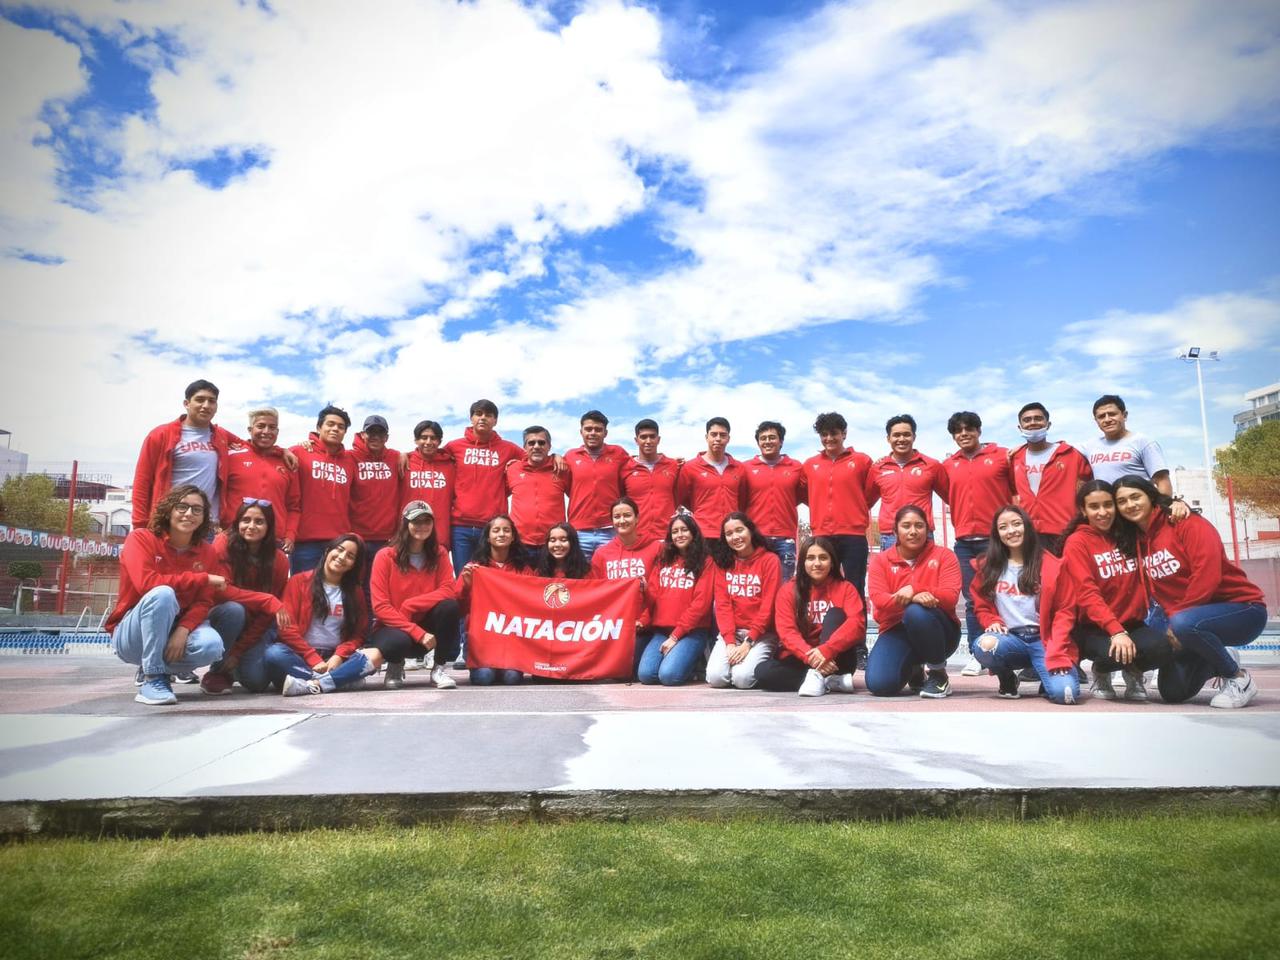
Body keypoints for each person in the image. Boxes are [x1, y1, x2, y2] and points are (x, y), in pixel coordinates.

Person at [1113, 476, 1267, 708]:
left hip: (1242, 609)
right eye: (1122, 501)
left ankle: (1237, 678)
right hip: (1187, 620)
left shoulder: (1186, 522)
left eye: (1136, 497)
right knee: (1172, 692)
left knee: (1185, 624)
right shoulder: (1136, 539)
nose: (1130, 505)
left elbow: (1207, 575)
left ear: (1151, 496)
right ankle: (1217, 659)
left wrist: (1177, 623)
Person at [105, 484, 246, 705]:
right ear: (169, 509)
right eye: (182, 507)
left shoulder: (206, 551)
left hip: (177, 628)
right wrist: (202, 578)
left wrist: (183, 629)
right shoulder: (141, 539)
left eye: (197, 510)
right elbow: (147, 584)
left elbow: (204, 600)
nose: (189, 513)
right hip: (133, 633)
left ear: (203, 518)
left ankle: (162, 666)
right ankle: (152, 676)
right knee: (163, 594)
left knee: (212, 645)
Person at [1061, 480, 1172, 701]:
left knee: (1163, 649)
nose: (1102, 512)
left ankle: (1133, 671)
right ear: (1083, 510)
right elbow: (1087, 593)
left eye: (1108, 505)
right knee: (1115, 653)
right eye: (1094, 507)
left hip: (1132, 624)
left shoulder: (1129, 534)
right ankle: (1101, 670)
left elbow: (1153, 515)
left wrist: (1175, 504)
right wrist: (1116, 631)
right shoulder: (1077, 542)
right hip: (1094, 628)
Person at [968, 505, 1078, 704]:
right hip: (1010, 639)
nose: (1011, 531)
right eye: (1003, 527)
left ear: (1027, 526)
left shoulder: (1051, 565)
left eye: (1017, 524)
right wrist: (991, 620)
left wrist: (1056, 650)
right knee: (984, 646)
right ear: (997, 533)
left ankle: (1047, 677)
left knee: (1065, 694)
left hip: (1045, 641)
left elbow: (1065, 611)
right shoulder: (988, 567)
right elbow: (981, 605)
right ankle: (1007, 677)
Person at [939, 411, 1014, 677]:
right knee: (973, 600)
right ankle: (977, 654)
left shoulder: (1002, 456)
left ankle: (1011, 652)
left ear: (979, 430)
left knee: (1008, 597)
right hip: (964, 543)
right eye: (957, 431)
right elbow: (945, 492)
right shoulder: (948, 465)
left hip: (997, 541)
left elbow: (1017, 488)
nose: (963, 434)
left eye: (968, 429)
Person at [268, 535, 391, 697]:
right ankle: (339, 681)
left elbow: (358, 634)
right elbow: (286, 627)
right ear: (327, 551)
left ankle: (313, 684)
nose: (342, 557)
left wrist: (339, 656)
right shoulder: (298, 581)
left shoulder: (355, 591)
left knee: (375, 655)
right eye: (339, 550)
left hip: (336, 658)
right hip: (302, 656)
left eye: (350, 556)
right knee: (274, 653)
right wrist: (312, 658)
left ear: (354, 564)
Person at [865, 505, 962, 698]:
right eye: (906, 526)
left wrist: (916, 589)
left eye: (919, 526)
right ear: (895, 531)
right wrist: (913, 597)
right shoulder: (881, 561)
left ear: (927, 530)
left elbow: (950, 597)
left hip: (940, 631)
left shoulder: (945, 556)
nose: (913, 531)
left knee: (916, 612)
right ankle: (914, 669)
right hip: (896, 629)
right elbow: (879, 599)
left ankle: (938, 674)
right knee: (880, 685)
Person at [369, 501, 460, 691]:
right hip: (394, 628)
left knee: (450, 607)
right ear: (405, 524)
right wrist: (416, 632)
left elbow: (449, 590)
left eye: (427, 521)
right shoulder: (385, 556)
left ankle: (438, 669)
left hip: (426, 628)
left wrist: (411, 605)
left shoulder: (440, 553)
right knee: (397, 642)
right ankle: (395, 665)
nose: (422, 526)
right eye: (416, 521)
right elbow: (380, 607)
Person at [203, 498, 290, 695]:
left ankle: (233, 666)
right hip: (223, 616)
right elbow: (221, 590)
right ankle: (217, 672)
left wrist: (238, 651)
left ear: (269, 526)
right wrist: (266, 599)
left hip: (254, 626)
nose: (251, 526)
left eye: (259, 522)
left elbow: (267, 615)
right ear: (237, 523)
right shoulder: (222, 543)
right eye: (246, 520)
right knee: (235, 610)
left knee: (256, 682)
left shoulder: (279, 560)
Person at [757, 537, 865, 696]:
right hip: (803, 657)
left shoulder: (845, 588)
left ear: (832, 562)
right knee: (762, 672)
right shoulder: (788, 591)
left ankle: (818, 678)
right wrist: (812, 658)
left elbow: (857, 624)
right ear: (802, 562)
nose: (817, 563)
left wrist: (826, 651)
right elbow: (787, 632)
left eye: (823, 557)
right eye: (810, 558)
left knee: (836, 614)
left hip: (837, 658)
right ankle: (829, 680)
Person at [131, 380, 239, 531]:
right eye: (200, 400)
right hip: (168, 523)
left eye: (211, 401)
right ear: (187, 403)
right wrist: (140, 526)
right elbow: (142, 481)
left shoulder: (221, 435)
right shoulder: (161, 435)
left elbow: (254, 444)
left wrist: (282, 452)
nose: (206, 405)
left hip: (205, 526)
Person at [444, 399, 526, 575]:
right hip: (460, 526)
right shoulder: (454, 446)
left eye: (488, 415)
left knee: (491, 580)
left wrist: (556, 457)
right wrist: (405, 456)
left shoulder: (508, 448)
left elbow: (534, 458)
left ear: (495, 421)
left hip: (492, 527)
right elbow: (430, 457)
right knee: (464, 577)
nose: (483, 418)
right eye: (478, 414)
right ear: (471, 418)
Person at [705, 512, 781, 689]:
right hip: (732, 633)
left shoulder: (770, 560)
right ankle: (737, 660)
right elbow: (723, 606)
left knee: (743, 679)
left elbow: (768, 607)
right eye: (729, 534)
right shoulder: (723, 563)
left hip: (762, 634)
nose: (735, 537)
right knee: (716, 678)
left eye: (739, 530)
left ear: (751, 531)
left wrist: (748, 643)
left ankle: (768, 655)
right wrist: (730, 643)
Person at [638, 511, 714, 686]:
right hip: (662, 631)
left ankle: (696, 664)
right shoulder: (663, 560)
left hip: (691, 631)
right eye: (675, 531)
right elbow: (653, 599)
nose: (679, 535)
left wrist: (675, 636)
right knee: (646, 676)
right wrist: (643, 590)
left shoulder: (706, 561)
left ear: (693, 533)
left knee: (669, 676)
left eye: (684, 530)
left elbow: (700, 604)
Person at [802, 411, 874, 597]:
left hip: (853, 536)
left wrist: (855, 508)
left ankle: (857, 627)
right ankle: (827, 626)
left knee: (854, 588)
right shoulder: (810, 465)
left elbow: (871, 492)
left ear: (844, 434)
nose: (829, 438)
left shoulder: (862, 461)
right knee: (823, 588)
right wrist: (820, 507)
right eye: (824, 434)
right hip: (822, 536)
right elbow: (804, 493)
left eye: (833, 433)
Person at [456, 515, 532, 686]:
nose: (501, 534)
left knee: (511, 678)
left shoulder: (524, 570)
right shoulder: (474, 568)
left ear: (513, 537)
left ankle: (502, 667)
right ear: (488, 537)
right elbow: (458, 609)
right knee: (484, 677)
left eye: (506, 530)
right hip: (482, 640)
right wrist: (467, 587)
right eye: (496, 530)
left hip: (512, 640)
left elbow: (532, 606)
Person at [1009, 402, 1091, 556]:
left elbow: (1087, 489)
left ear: (1048, 424)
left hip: (1065, 531)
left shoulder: (1071, 454)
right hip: (1029, 533)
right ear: (1020, 427)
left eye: (1038, 418)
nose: (1033, 422)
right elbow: (1012, 491)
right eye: (1027, 420)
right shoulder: (1014, 458)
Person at [221, 407, 301, 553]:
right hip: (233, 536)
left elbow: (294, 506)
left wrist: (290, 535)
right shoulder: (231, 456)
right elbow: (218, 493)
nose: (266, 431)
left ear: (277, 432)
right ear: (250, 429)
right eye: (260, 426)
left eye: (272, 427)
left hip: (274, 541)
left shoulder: (288, 463)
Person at [290, 405, 358, 574]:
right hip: (305, 542)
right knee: (304, 592)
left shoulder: (351, 460)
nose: (335, 429)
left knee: (334, 594)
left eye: (341, 427)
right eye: (330, 424)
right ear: (319, 427)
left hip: (338, 543)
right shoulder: (299, 451)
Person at [865, 414, 945, 550]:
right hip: (890, 536)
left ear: (914, 437)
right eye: (896, 435)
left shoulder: (931, 465)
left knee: (926, 572)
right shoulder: (877, 468)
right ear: (888, 438)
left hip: (922, 534)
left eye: (906, 434)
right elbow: (866, 501)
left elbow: (951, 497)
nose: (901, 439)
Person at [743, 420, 806, 581]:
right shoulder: (746, 468)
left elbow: (801, 495)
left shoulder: (796, 467)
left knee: (784, 586)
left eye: (772, 437)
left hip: (785, 538)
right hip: (756, 538)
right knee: (755, 586)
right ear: (758, 443)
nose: (767, 441)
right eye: (763, 438)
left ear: (781, 441)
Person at [565, 410, 629, 561]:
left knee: (610, 578)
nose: (593, 433)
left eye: (598, 429)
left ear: (605, 433)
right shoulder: (570, 456)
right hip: (579, 531)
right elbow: (568, 488)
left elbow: (636, 469)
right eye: (588, 429)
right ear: (581, 432)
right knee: (580, 578)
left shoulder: (619, 453)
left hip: (610, 530)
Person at [349, 415, 402, 585]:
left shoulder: (395, 457)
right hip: (357, 537)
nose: (376, 437)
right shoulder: (349, 457)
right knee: (354, 584)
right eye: (371, 432)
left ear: (386, 437)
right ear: (363, 434)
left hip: (387, 539)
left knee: (380, 585)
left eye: (380, 433)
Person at [1085, 395, 1174, 494]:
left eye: (1112, 414)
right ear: (1096, 420)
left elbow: (1162, 482)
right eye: (1101, 416)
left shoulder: (1143, 442)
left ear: (1125, 415)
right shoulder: (1089, 447)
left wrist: (1163, 507)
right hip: (1109, 508)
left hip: (1138, 507)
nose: (1107, 419)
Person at [506, 425, 569, 562]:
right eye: (531, 443)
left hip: (552, 544)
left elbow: (577, 496)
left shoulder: (562, 469)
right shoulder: (512, 469)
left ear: (549, 446)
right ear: (524, 447)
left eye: (541, 442)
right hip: (520, 543)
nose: (536, 446)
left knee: (551, 584)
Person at [677, 417, 747, 539]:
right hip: (703, 533)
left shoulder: (739, 468)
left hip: (731, 533)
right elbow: (681, 497)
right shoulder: (690, 467)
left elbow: (742, 499)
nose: (718, 439)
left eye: (722, 435)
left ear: (728, 439)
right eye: (714, 435)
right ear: (706, 437)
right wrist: (700, 509)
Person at [622, 419, 681, 543]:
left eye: (652, 437)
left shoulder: (673, 466)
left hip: (667, 536)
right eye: (643, 437)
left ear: (658, 439)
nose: (648, 441)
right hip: (637, 536)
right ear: (636, 440)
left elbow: (679, 496)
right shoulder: (625, 468)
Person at [401, 419, 456, 549]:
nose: (428, 442)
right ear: (416, 440)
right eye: (423, 438)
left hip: (439, 537)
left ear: (440, 442)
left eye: (433, 438)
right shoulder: (404, 462)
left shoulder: (451, 465)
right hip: (408, 535)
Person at [589, 497, 660, 583]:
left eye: (627, 515)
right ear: (612, 521)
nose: (622, 521)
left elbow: (662, 587)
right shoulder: (600, 555)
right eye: (617, 517)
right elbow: (596, 588)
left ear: (637, 518)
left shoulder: (656, 549)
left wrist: (646, 589)